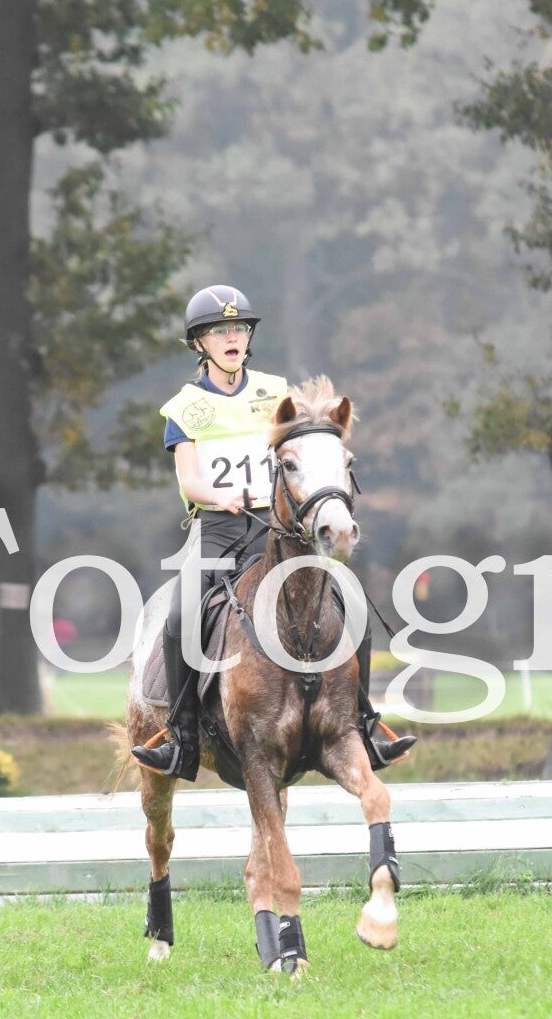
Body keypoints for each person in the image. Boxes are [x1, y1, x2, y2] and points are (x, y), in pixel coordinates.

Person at [130, 284, 416, 779]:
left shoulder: (274, 393)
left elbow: (308, 448)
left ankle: (363, 723)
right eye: (219, 331)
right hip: (219, 530)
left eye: (239, 328)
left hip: (277, 529)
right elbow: (188, 480)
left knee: (352, 605)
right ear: (199, 343)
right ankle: (182, 735)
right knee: (182, 612)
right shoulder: (184, 408)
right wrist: (219, 496)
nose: (232, 337)